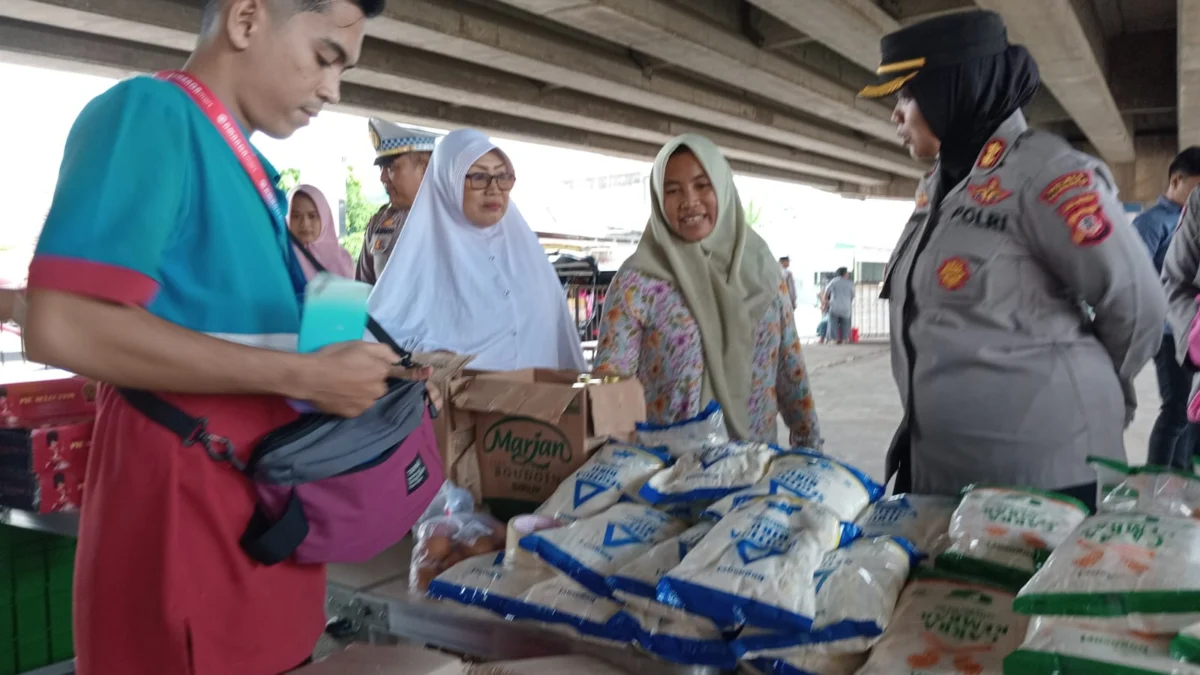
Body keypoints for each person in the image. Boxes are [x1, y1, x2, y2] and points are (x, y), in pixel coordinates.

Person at [20, 1, 438, 673]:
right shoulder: (152, 117)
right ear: (246, 19)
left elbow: (240, 329)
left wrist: (341, 357)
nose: (332, 90)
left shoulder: (253, 175)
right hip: (188, 554)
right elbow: (64, 322)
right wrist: (303, 376)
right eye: (326, 57)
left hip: (263, 546)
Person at [859, 10, 1164, 506]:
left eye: (907, 95)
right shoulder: (942, 185)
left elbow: (1137, 303)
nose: (896, 113)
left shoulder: (1047, 173)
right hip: (944, 470)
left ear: (953, 88)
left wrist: (1102, 395)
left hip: (1041, 477)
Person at [593, 134, 821, 448]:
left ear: (723, 187)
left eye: (702, 185)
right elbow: (611, 384)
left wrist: (809, 446)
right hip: (665, 478)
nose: (689, 201)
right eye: (673, 190)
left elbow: (789, 368)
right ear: (659, 200)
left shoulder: (762, 269)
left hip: (755, 471)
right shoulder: (637, 282)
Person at [368, 128, 587, 372]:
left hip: (540, 404)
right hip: (460, 407)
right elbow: (379, 343)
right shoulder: (419, 262)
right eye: (479, 177)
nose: (494, 189)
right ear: (448, 182)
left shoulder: (529, 258)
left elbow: (558, 342)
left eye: (504, 176)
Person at [1136, 148, 1200, 469]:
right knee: (1176, 411)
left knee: (1189, 414)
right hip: (1168, 334)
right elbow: (1133, 277)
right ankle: (1154, 483)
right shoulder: (1153, 223)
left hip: (1191, 333)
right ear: (1177, 180)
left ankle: (1179, 481)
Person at [356, 118, 438, 284]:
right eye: (381, 168)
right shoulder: (380, 224)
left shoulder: (454, 221)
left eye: (391, 167)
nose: (382, 177)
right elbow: (363, 290)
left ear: (425, 168)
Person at [289, 183, 355, 279]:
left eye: (312, 216)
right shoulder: (282, 257)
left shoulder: (343, 259)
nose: (305, 224)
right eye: (296, 216)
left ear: (324, 218)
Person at [823, 267, 854, 344]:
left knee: (833, 323)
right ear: (844, 274)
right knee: (845, 324)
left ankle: (833, 339)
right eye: (847, 273)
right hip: (846, 307)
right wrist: (848, 301)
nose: (848, 274)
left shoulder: (834, 281)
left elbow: (826, 291)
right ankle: (844, 339)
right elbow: (853, 295)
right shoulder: (850, 283)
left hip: (834, 306)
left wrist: (826, 301)